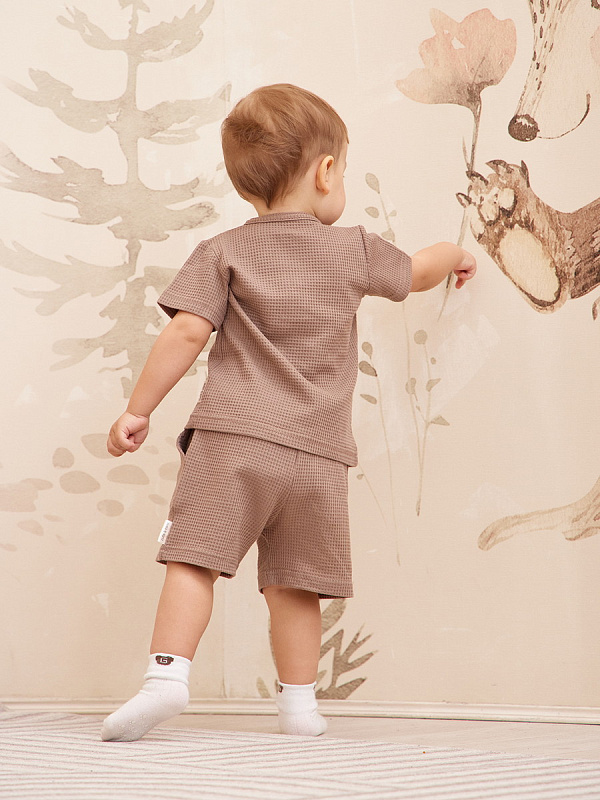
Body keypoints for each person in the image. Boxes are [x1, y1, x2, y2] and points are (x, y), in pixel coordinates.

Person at [101, 83, 476, 742]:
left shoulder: (222, 251)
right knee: (297, 583)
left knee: (193, 560)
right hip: (318, 455)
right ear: (326, 172)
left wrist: (139, 410)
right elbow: (419, 271)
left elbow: (186, 331)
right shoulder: (355, 249)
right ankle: (299, 707)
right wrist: (458, 254)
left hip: (232, 440)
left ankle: (165, 680)